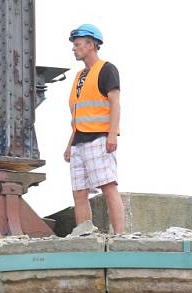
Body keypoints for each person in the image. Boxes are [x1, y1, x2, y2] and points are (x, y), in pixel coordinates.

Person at [65, 24, 125, 234]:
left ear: (91, 45)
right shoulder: (80, 76)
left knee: (108, 186)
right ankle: (84, 233)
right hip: (79, 142)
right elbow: (79, 114)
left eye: (78, 44)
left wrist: (112, 134)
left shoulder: (106, 69)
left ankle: (119, 235)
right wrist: (69, 144)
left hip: (99, 138)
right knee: (79, 192)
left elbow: (115, 103)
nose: (74, 48)